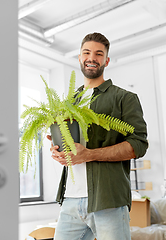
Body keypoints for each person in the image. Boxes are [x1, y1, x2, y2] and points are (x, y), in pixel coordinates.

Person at [47, 32, 148, 240]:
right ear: (79, 57)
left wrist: (89, 154)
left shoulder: (124, 98)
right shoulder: (68, 103)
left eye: (98, 54)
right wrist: (58, 151)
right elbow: (71, 148)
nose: (91, 57)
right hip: (70, 200)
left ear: (106, 60)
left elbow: (138, 145)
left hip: (107, 200)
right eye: (86, 52)